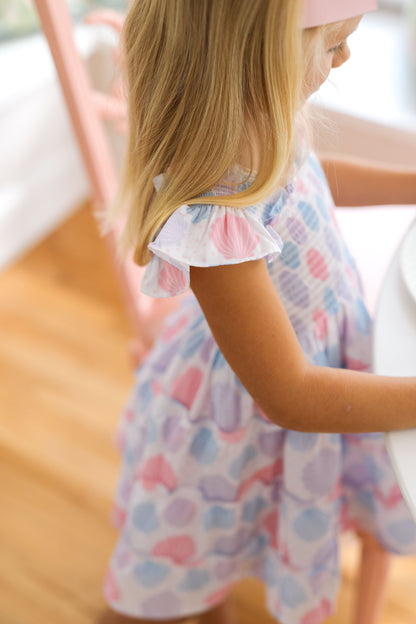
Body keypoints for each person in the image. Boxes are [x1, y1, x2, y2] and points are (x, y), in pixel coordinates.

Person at [100, 1, 416, 623]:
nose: (345, 56)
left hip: (316, 355)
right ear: (257, 60)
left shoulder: (260, 120)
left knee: (240, 541)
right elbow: (289, 395)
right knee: (181, 578)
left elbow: (310, 177)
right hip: (240, 425)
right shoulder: (217, 209)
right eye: (333, 46)